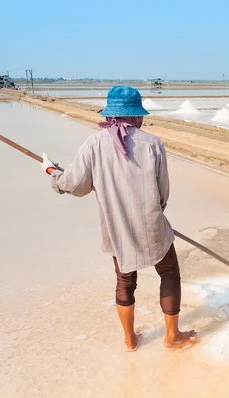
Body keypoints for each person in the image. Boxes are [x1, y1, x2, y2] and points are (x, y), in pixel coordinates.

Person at [40, 86, 197, 352]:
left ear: (111, 114)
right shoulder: (153, 144)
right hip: (152, 225)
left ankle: (129, 339)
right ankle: (172, 337)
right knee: (169, 273)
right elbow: (163, 192)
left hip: (117, 227)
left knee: (125, 281)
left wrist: (51, 170)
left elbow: (76, 185)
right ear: (136, 115)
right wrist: (155, 211)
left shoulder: (93, 143)